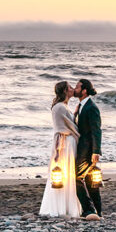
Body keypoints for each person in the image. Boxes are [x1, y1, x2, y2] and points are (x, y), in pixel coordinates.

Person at [39, 81, 81, 218]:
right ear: (64, 91)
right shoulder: (60, 107)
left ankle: (67, 204)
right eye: (70, 87)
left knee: (69, 172)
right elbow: (69, 127)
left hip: (67, 141)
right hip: (65, 143)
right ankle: (61, 206)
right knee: (65, 171)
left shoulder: (64, 107)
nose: (72, 89)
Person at [73, 78, 102, 220]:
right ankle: (98, 210)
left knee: (76, 177)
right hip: (84, 148)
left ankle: (88, 209)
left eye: (77, 87)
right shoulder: (82, 106)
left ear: (84, 90)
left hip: (88, 149)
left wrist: (96, 151)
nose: (75, 89)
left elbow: (97, 130)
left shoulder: (91, 107)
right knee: (89, 180)